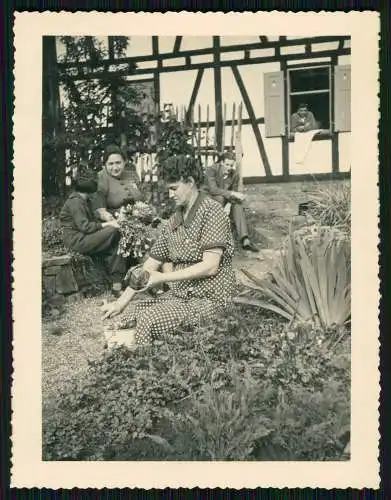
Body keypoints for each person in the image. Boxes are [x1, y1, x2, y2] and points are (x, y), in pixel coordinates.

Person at [101, 155, 238, 351]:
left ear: (190, 182)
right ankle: (132, 357)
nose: (171, 194)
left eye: (174, 188)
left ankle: (148, 368)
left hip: (210, 298)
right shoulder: (175, 220)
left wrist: (163, 277)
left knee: (149, 320)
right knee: (134, 312)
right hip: (182, 295)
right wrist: (120, 302)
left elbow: (210, 266)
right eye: (168, 189)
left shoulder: (212, 212)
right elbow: (150, 265)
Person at [59, 164, 127, 296]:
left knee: (116, 241)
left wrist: (108, 219)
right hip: (77, 240)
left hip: (83, 237)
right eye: (96, 183)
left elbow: (92, 218)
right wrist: (108, 225)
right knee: (114, 231)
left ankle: (116, 284)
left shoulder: (84, 200)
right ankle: (117, 285)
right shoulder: (75, 202)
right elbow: (85, 226)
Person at [203, 151, 259, 252]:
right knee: (220, 198)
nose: (229, 168)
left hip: (224, 199)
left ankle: (245, 239)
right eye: (227, 164)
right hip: (209, 199)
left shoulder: (234, 175)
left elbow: (233, 194)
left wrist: (229, 204)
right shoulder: (211, 170)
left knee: (238, 204)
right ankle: (216, 234)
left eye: (231, 165)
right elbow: (213, 190)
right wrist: (232, 194)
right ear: (221, 163)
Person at [91, 144, 144, 222]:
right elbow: (99, 211)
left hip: (140, 220)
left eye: (118, 163)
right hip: (114, 224)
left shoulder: (132, 175)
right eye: (111, 164)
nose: (115, 168)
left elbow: (143, 200)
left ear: (125, 162)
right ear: (104, 165)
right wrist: (117, 218)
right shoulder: (101, 177)